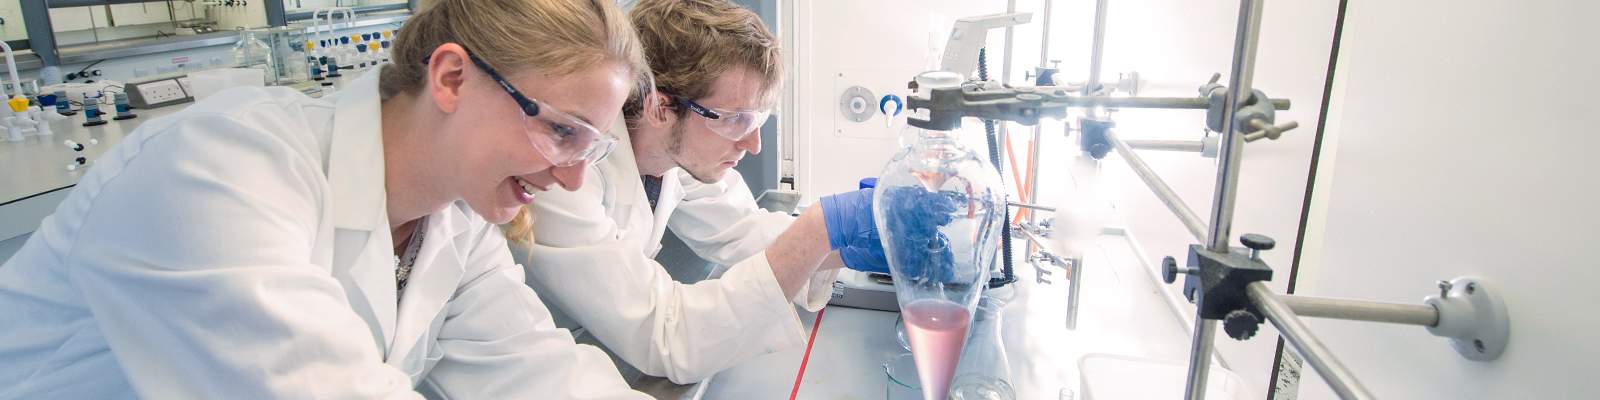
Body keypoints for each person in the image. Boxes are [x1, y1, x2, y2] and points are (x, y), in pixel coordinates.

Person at [0, 0, 655, 397]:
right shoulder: (220, 171)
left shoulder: (457, 220)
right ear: (452, 77)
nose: (572, 179)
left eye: (589, 147)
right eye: (561, 131)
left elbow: (538, 375)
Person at [524, 0, 883, 384]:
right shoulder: (564, 177)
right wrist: (821, 228)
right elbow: (666, 334)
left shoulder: (679, 150)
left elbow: (744, 232)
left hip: (605, 343)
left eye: (759, 117)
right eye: (736, 119)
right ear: (660, 108)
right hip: (539, 366)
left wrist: (849, 245)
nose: (754, 143)